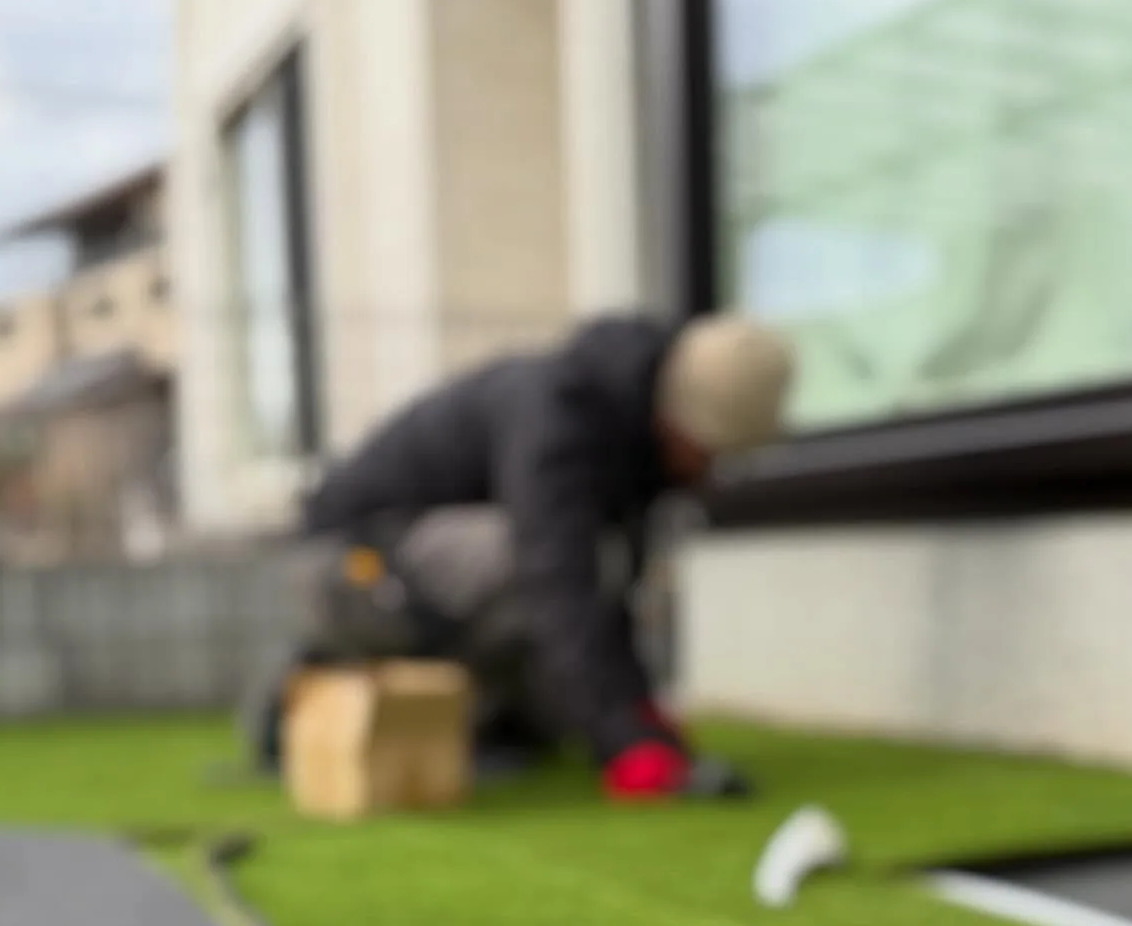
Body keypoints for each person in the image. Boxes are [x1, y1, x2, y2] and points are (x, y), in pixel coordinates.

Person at [250, 310, 793, 799]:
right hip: (344, 570)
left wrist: (637, 713)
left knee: (566, 701)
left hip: (418, 574)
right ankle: (318, 677)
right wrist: (624, 742)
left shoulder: (627, 437)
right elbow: (558, 575)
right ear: (680, 420)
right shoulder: (554, 411)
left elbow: (611, 599)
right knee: (531, 557)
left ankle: (492, 722)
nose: (707, 472)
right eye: (709, 453)